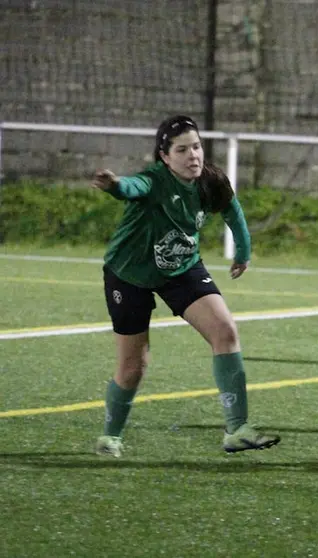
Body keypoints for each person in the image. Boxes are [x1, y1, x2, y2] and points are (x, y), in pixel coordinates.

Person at [91, 115, 280, 457]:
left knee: (225, 330)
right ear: (164, 156)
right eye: (182, 149)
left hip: (181, 267)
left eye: (196, 146)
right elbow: (133, 187)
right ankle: (110, 436)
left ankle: (236, 429)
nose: (193, 155)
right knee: (134, 366)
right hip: (129, 274)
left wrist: (243, 253)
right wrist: (116, 186)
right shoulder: (154, 180)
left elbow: (233, 213)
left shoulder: (211, 181)